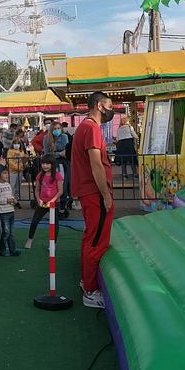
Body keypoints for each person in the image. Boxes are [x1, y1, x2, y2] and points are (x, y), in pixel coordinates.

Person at [71, 92, 115, 309]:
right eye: (110, 105)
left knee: (91, 237)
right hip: (95, 193)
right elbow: (96, 164)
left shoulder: (86, 128)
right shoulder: (91, 129)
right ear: (100, 106)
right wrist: (106, 194)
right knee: (97, 240)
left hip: (90, 192)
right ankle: (89, 290)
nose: (111, 110)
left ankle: (87, 282)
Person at [24, 156, 63, 249]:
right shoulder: (40, 175)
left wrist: (52, 201)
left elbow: (60, 191)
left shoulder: (57, 175)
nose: (45, 166)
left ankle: (53, 243)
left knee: (55, 224)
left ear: (52, 165)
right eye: (43, 163)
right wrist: (39, 200)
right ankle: (30, 239)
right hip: (42, 202)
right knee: (35, 220)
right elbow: (37, 190)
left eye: (47, 164)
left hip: (54, 203)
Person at [0, 168, 19, 256]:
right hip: (3, 212)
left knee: (11, 232)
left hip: (11, 210)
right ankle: (2, 249)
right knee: (6, 232)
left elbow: (10, 195)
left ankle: (12, 250)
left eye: (7, 173)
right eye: (4, 173)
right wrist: (7, 200)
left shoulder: (8, 184)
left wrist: (14, 201)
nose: (7, 175)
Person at [6, 131, 29, 204]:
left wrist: (25, 161)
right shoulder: (10, 151)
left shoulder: (21, 151)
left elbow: (23, 161)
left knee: (18, 187)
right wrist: (17, 167)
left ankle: (17, 200)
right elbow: (10, 161)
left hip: (20, 171)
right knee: (12, 186)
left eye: (18, 143)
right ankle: (11, 200)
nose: (17, 145)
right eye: (15, 143)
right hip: (12, 171)